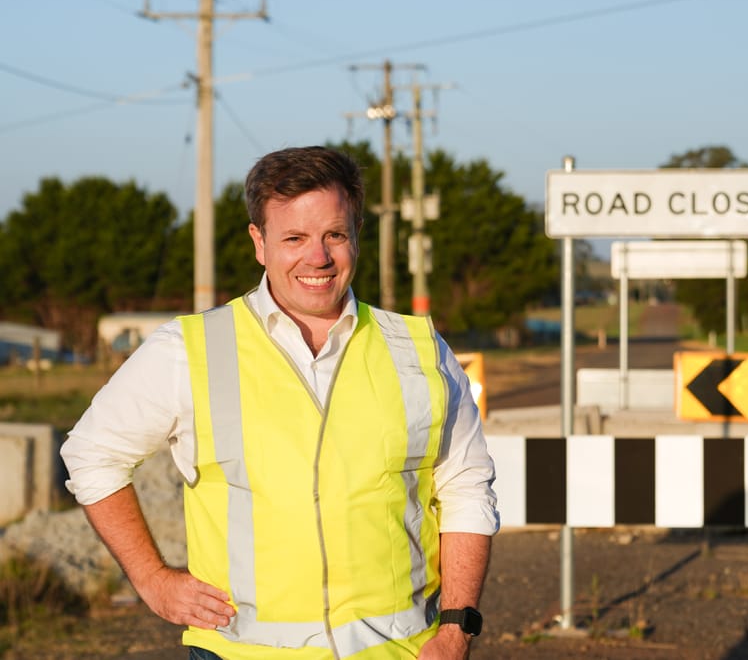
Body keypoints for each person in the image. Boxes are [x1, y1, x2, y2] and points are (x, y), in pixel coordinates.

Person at [61, 146, 500, 660]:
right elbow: (92, 455)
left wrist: (456, 626)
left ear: (357, 234)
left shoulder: (419, 349)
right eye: (294, 238)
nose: (318, 258)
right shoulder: (187, 350)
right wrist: (152, 578)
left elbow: (466, 486)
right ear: (259, 242)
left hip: (405, 651)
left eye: (334, 235)